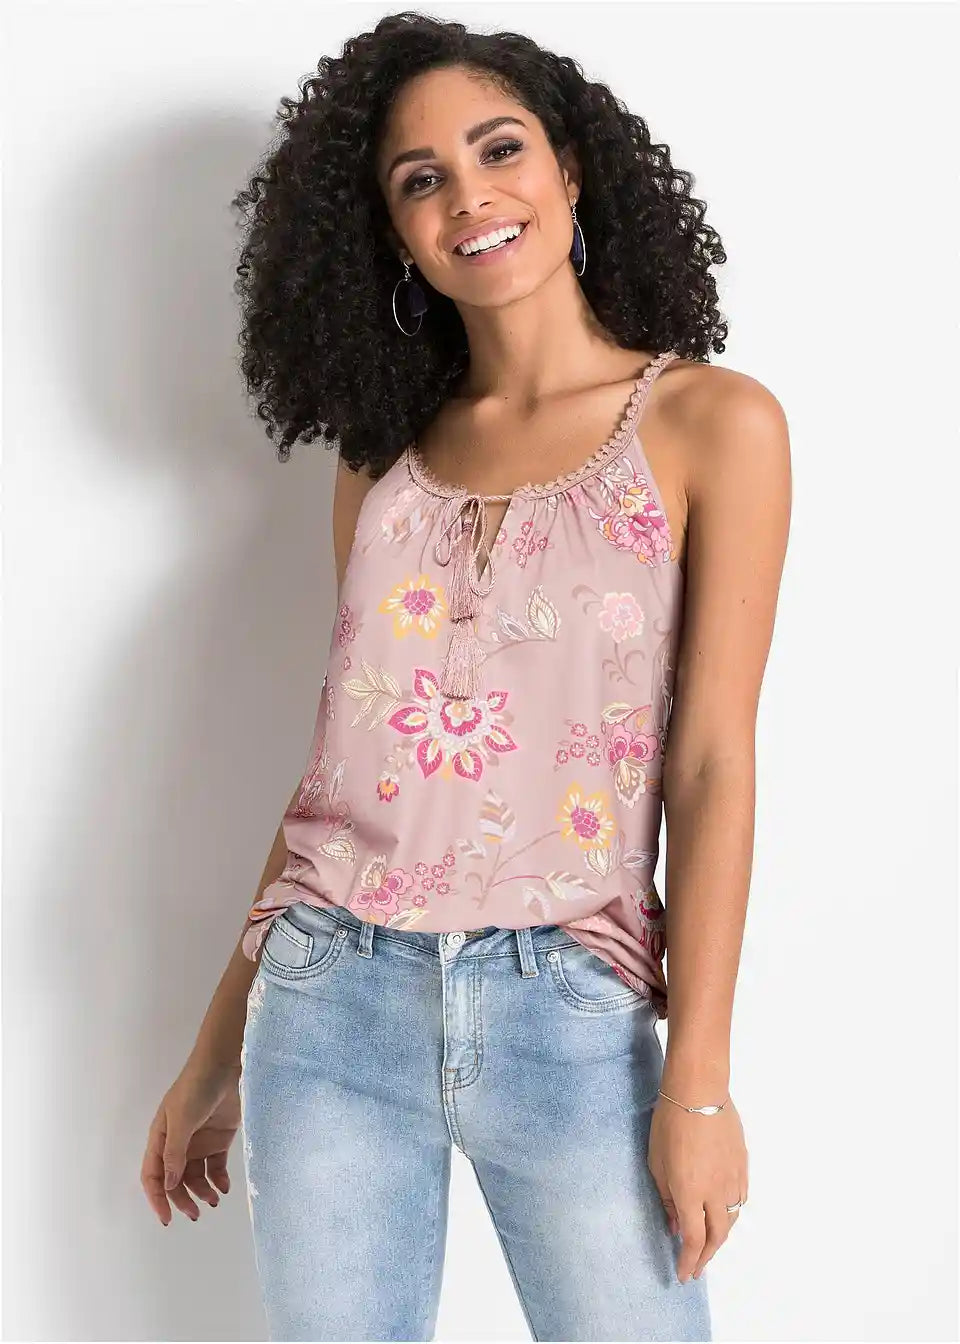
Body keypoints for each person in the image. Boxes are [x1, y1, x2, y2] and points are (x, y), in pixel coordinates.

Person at [141, 13, 791, 1342]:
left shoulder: (711, 423)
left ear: (569, 168)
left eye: (499, 150)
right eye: (420, 178)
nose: (469, 197)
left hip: (569, 1009)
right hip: (327, 1000)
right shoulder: (380, 458)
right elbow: (345, 770)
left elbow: (714, 764)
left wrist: (699, 1084)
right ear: (392, 233)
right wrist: (217, 1049)